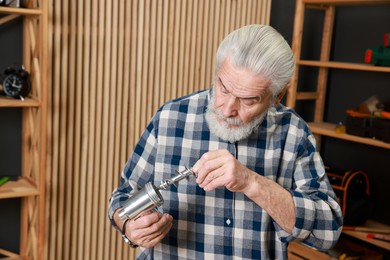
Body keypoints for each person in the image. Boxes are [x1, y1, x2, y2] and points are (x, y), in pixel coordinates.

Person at [108, 24, 343, 259]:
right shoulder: (170, 117)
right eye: (223, 87)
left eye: (248, 101)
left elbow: (327, 232)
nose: (227, 109)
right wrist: (128, 226)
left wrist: (252, 183)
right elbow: (122, 198)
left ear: (277, 96)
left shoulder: (293, 133)